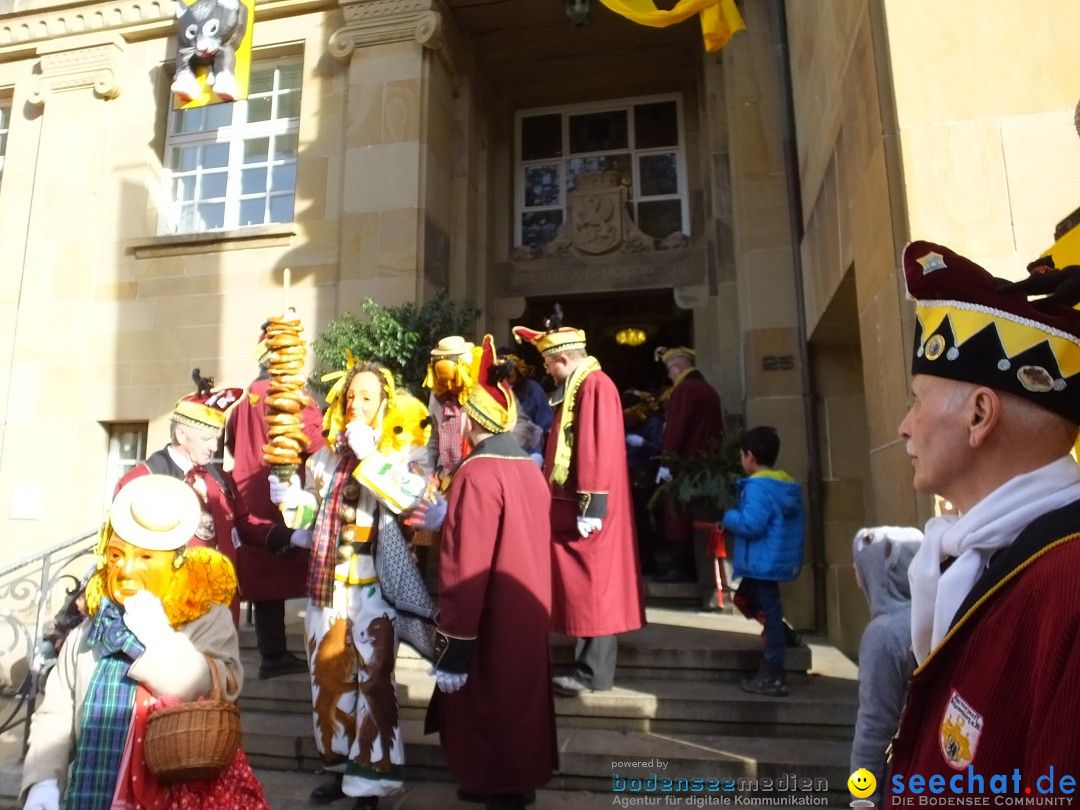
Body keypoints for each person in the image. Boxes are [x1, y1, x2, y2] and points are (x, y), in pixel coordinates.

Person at [888, 241, 1080, 787]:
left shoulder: (1068, 582)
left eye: (916, 400)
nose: (905, 427)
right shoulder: (988, 557)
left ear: (978, 414)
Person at [21, 475, 268, 810]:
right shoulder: (91, 629)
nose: (125, 569)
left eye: (146, 557)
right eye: (116, 555)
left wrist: (160, 637)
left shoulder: (207, 618)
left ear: (176, 559)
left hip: (171, 797)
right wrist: (44, 780)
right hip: (92, 792)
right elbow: (56, 711)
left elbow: (214, 689)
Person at [269, 356, 435, 810]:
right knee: (327, 676)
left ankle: (371, 779)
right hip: (327, 583)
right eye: (350, 397)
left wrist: (372, 456)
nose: (356, 405)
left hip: (376, 584)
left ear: (384, 403)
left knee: (373, 678)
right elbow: (309, 523)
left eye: (367, 397)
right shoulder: (323, 455)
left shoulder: (404, 449)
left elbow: (410, 501)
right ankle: (339, 768)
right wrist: (291, 500)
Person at [415, 335, 557, 810]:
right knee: (522, 699)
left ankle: (498, 784)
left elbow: (465, 567)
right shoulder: (527, 469)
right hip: (527, 607)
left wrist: (453, 644)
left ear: (473, 421)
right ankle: (520, 779)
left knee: (492, 703)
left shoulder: (477, 473)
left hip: (489, 616)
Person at [513, 309, 644, 697]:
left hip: (588, 508)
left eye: (548, 364)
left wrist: (593, 506)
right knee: (589, 588)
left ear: (564, 359)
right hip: (576, 506)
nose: (547, 371)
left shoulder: (595, 386)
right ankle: (587, 668)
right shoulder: (584, 386)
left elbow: (596, 447)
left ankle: (592, 674)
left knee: (596, 589)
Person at [117, 370, 293, 626]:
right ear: (181, 436)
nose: (214, 446)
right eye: (207, 439)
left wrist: (290, 536)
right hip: (170, 611)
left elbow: (244, 525)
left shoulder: (220, 479)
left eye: (217, 439)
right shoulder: (141, 480)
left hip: (222, 610)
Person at [225, 318, 326, 679]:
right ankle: (317, 650)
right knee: (311, 564)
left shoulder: (239, 399)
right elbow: (315, 442)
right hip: (284, 495)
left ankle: (273, 653)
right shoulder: (293, 397)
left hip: (247, 494)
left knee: (265, 576)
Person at [721, 425, 805, 697]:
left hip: (761, 563)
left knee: (766, 610)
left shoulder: (759, 486)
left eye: (742, 455)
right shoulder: (782, 483)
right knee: (746, 600)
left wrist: (728, 516)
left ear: (751, 457)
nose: (741, 461)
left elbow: (751, 524)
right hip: (768, 560)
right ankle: (782, 636)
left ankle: (773, 672)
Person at [849, 526, 922, 805]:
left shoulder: (884, 634)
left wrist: (862, 797)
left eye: (858, 566)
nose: (856, 575)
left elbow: (874, 724)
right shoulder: (940, 611)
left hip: (903, 773)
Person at [653, 346, 724, 598]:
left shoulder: (685, 390)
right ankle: (689, 566)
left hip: (686, 464)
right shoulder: (707, 389)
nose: (669, 376)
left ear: (679, 368)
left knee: (677, 514)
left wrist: (667, 461)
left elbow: (677, 427)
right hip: (704, 464)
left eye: (670, 370)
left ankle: (680, 567)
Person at [422, 336, 475, 486]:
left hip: (472, 476)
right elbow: (432, 438)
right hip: (443, 476)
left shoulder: (479, 394)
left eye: (453, 380)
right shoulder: (436, 395)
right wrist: (428, 471)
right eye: (444, 381)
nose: (449, 386)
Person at [623, 389, 664, 576]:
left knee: (646, 521)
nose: (627, 420)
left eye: (629, 415)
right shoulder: (623, 425)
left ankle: (649, 563)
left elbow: (661, 450)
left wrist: (644, 444)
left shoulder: (652, 422)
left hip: (647, 476)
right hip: (627, 476)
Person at [498, 347, 554, 462]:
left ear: (518, 372)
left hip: (530, 452)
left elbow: (546, 425)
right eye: (500, 378)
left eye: (509, 377)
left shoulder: (533, 390)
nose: (506, 383)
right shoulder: (490, 394)